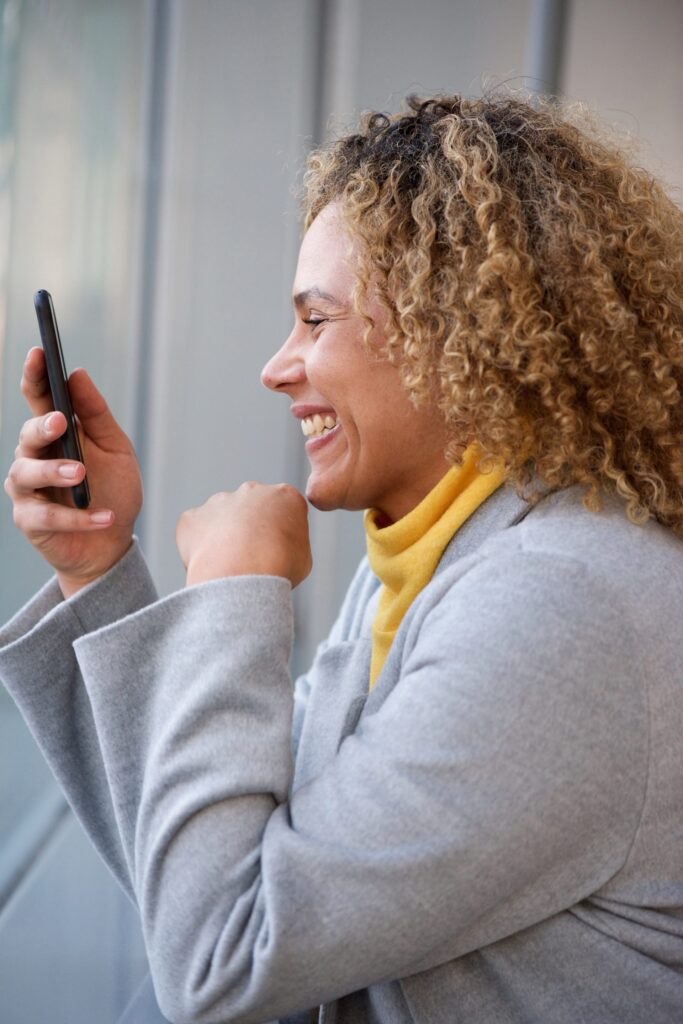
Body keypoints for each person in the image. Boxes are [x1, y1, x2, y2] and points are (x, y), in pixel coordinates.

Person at [1, 91, 683, 1024]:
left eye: (315, 321)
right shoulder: (434, 553)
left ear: (456, 332)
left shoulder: (562, 605)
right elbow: (197, 880)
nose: (276, 367)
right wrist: (97, 566)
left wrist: (234, 592)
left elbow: (220, 956)